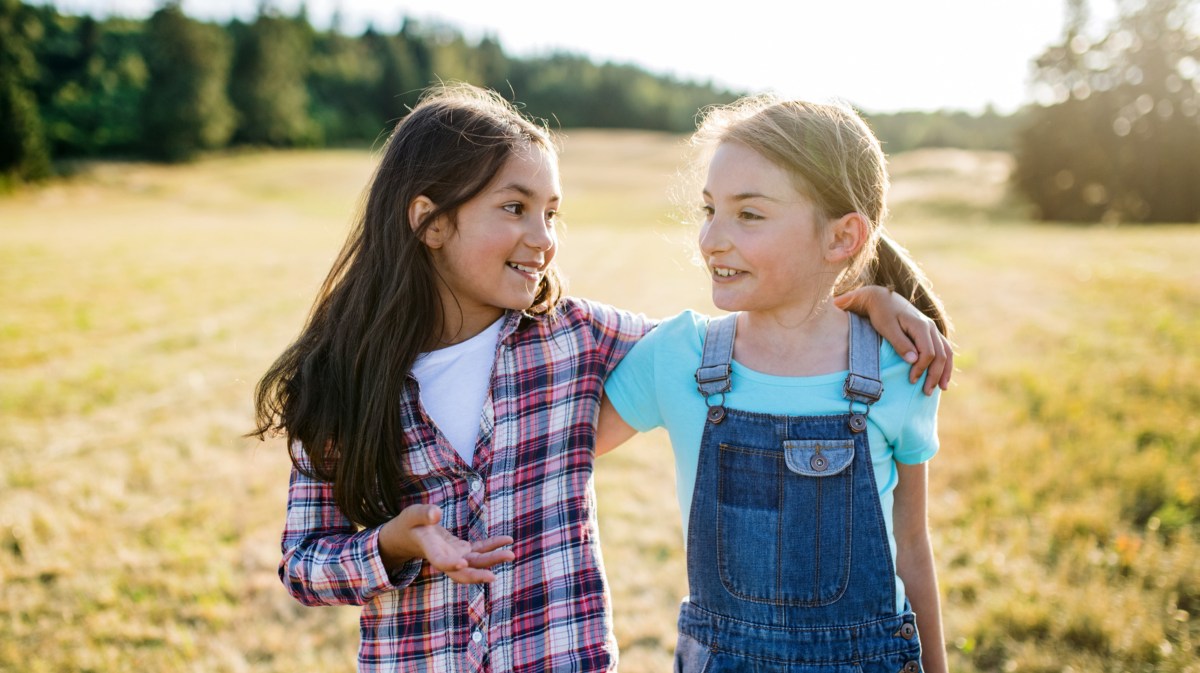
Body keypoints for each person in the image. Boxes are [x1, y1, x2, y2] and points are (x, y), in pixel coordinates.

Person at [251, 83, 951, 673]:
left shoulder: (571, 339)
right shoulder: (340, 383)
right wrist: (392, 543)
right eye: (515, 207)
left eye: (551, 213)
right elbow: (304, 564)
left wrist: (870, 295)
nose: (545, 238)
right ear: (429, 221)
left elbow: (756, 342)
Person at [598, 94, 951, 673]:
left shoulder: (899, 370)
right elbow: (559, 450)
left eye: (749, 214)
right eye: (708, 209)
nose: (712, 238)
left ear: (842, 239)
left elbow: (912, 548)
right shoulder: (678, 356)